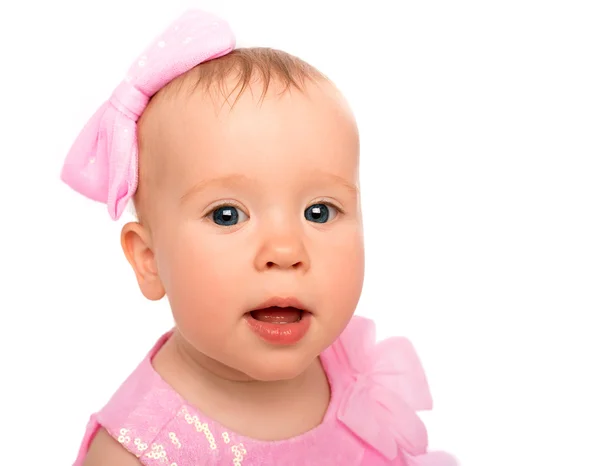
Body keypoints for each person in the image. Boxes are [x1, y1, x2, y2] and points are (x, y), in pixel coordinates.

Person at [62, 8, 457, 466]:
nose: (286, 251)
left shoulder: (352, 368)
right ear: (149, 258)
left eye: (319, 211)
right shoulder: (137, 453)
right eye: (228, 215)